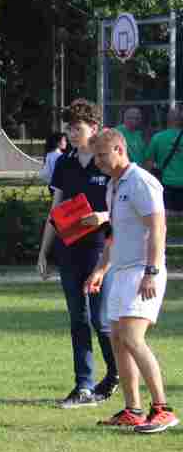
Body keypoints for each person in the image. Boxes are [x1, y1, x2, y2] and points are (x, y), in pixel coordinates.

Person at [85, 128, 176, 433]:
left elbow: (158, 228)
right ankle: (132, 410)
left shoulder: (141, 181)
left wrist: (151, 271)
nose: (97, 162)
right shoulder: (113, 185)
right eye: (95, 156)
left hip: (142, 270)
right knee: (118, 340)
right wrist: (101, 269)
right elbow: (115, 234)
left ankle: (162, 409)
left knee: (132, 337)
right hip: (122, 271)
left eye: (102, 155)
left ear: (120, 150)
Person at [35, 100, 118, 408]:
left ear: (94, 128)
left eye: (77, 128)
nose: (71, 133)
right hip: (69, 250)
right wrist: (43, 251)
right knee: (78, 319)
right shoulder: (64, 163)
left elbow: (124, 206)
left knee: (101, 319)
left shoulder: (106, 160)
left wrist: (102, 217)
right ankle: (83, 386)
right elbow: (55, 209)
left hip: (100, 250)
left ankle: (115, 374)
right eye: (68, 128)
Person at [147, 106, 183, 216]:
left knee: (167, 217)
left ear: (168, 120)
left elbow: (149, 163)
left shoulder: (158, 138)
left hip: (166, 184)